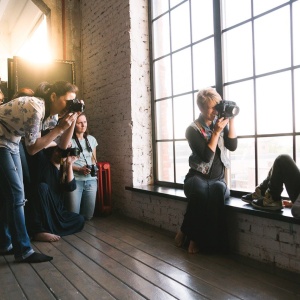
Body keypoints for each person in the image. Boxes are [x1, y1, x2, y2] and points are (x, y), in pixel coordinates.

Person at [0, 80, 81, 263]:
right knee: (16, 195)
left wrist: (72, 119)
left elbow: (62, 145)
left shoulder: (50, 115)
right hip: (1, 141)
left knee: (12, 195)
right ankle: (24, 250)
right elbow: (32, 149)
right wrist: (59, 128)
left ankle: (5, 243)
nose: (69, 106)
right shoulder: (36, 108)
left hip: (11, 141)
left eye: (72, 103)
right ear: (53, 96)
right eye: (67, 101)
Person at [174, 87, 238, 254]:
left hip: (217, 179)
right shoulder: (192, 129)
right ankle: (194, 239)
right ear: (201, 109)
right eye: (212, 107)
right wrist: (216, 132)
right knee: (201, 192)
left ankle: (186, 231)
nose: (216, 111)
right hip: (197, 177)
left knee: (216, 191)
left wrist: (231, 121)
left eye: (218, 106)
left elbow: (232, 146)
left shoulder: (221, 123)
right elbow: (206, 156)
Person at [27, 146, 85, 242]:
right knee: (42, 187)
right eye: (58, 151)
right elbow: (38, 147)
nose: (59, 154)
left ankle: (49, 230)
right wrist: (59, 143)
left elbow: (71, 187)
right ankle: (38, 232)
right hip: (43, 209)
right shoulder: (43, 163)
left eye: (62, 152)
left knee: (80, 219)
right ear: (54, 152)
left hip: (58, 211)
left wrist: (69, 164)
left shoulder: (62, 170)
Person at [65, 113, 98, 220]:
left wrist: (91, 168)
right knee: (74, 215)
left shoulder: (91, 139)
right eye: (80, 123)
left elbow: (94, 159)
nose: (83, 125)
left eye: (85, 122)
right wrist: (80, 169)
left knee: (88, 216)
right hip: (75, 179)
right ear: (74, 125)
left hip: (91, 180)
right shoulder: (69, 141)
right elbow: (64, 162)